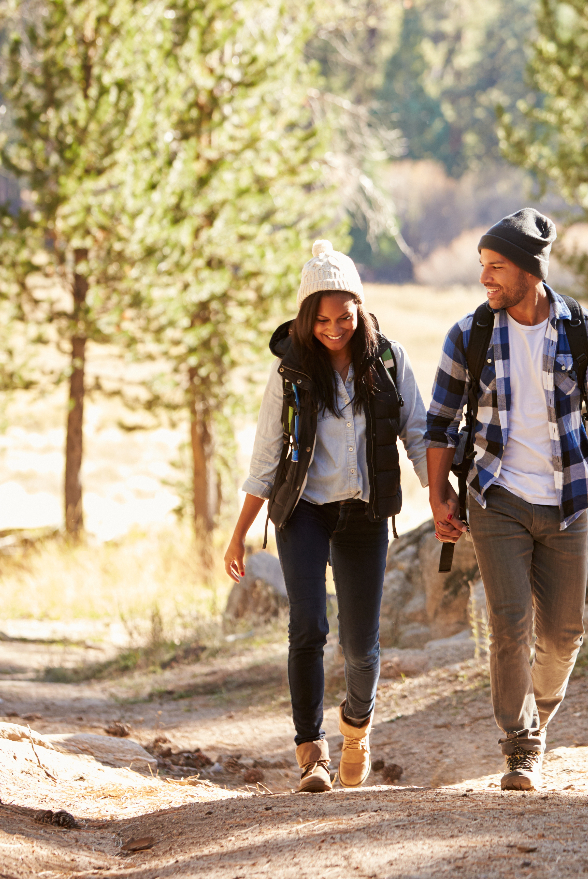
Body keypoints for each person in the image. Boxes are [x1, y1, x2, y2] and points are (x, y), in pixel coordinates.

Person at [425, 208, 588, 791]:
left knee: (564, 633)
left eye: (496, 268)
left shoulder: (584, 331)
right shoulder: (469, 334)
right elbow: (439, 425)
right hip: (497, 495)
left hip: (567, 500)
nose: (485, 278)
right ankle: (519, 745)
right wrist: (440, 498)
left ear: (530, 272)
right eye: (483, 267)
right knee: (509, 624)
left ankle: (535, 715)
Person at [224, 240, 428, 793]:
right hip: (304, 512)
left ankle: (356, 729)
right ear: (304, 317)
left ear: (360, 308)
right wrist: (240, 533)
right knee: (308, 626)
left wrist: (439, 495)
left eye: (344, 316)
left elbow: (417, 435)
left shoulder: (388, 360)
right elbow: (267, 455)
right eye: (321, 319)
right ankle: (310, 752)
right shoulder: (290, 372)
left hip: (364, 513)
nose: (334, 328)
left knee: (361, 645)